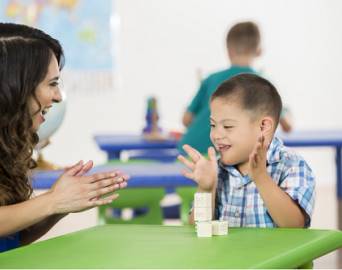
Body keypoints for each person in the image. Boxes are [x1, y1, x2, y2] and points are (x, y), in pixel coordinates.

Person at [0, 23, 129, 252]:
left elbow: (11, 239)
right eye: (52, 84)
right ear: (14, 85)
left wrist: (62, 203)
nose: (59, 97)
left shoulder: (8, 148)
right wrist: (52, 201)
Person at [178, 74, 315, 228]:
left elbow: (295, 225)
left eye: (228, 126)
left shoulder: (291, 165)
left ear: (263, 127)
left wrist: (261, 178)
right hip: (227, 253)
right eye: (212, 125)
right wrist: (206, 189)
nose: (216, 135)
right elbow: (196, 228)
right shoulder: (217, 170)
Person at [178, 21, 292, 155]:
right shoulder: (264, 85)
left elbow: (186, 120)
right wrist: (287, 113)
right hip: (224, 160)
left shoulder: (211, 79)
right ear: (259, 51)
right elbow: (287, 125)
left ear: (228, 50)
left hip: (189, 152)